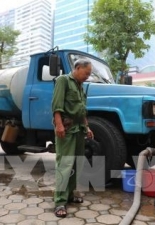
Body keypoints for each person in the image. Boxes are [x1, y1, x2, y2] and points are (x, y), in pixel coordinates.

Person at [51, 58, 94, 218]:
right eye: (86, 73)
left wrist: (87, 126)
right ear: (77, 68)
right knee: (65, 164)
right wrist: (59, 125)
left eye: (89, 74)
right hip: (67, 129)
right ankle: (60, 201)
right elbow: (57, 105)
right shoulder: (63, 80)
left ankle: (69, 195)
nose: (87, 76)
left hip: (79, 129)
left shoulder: (80, 86)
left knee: (77, 163)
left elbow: (82, 109)